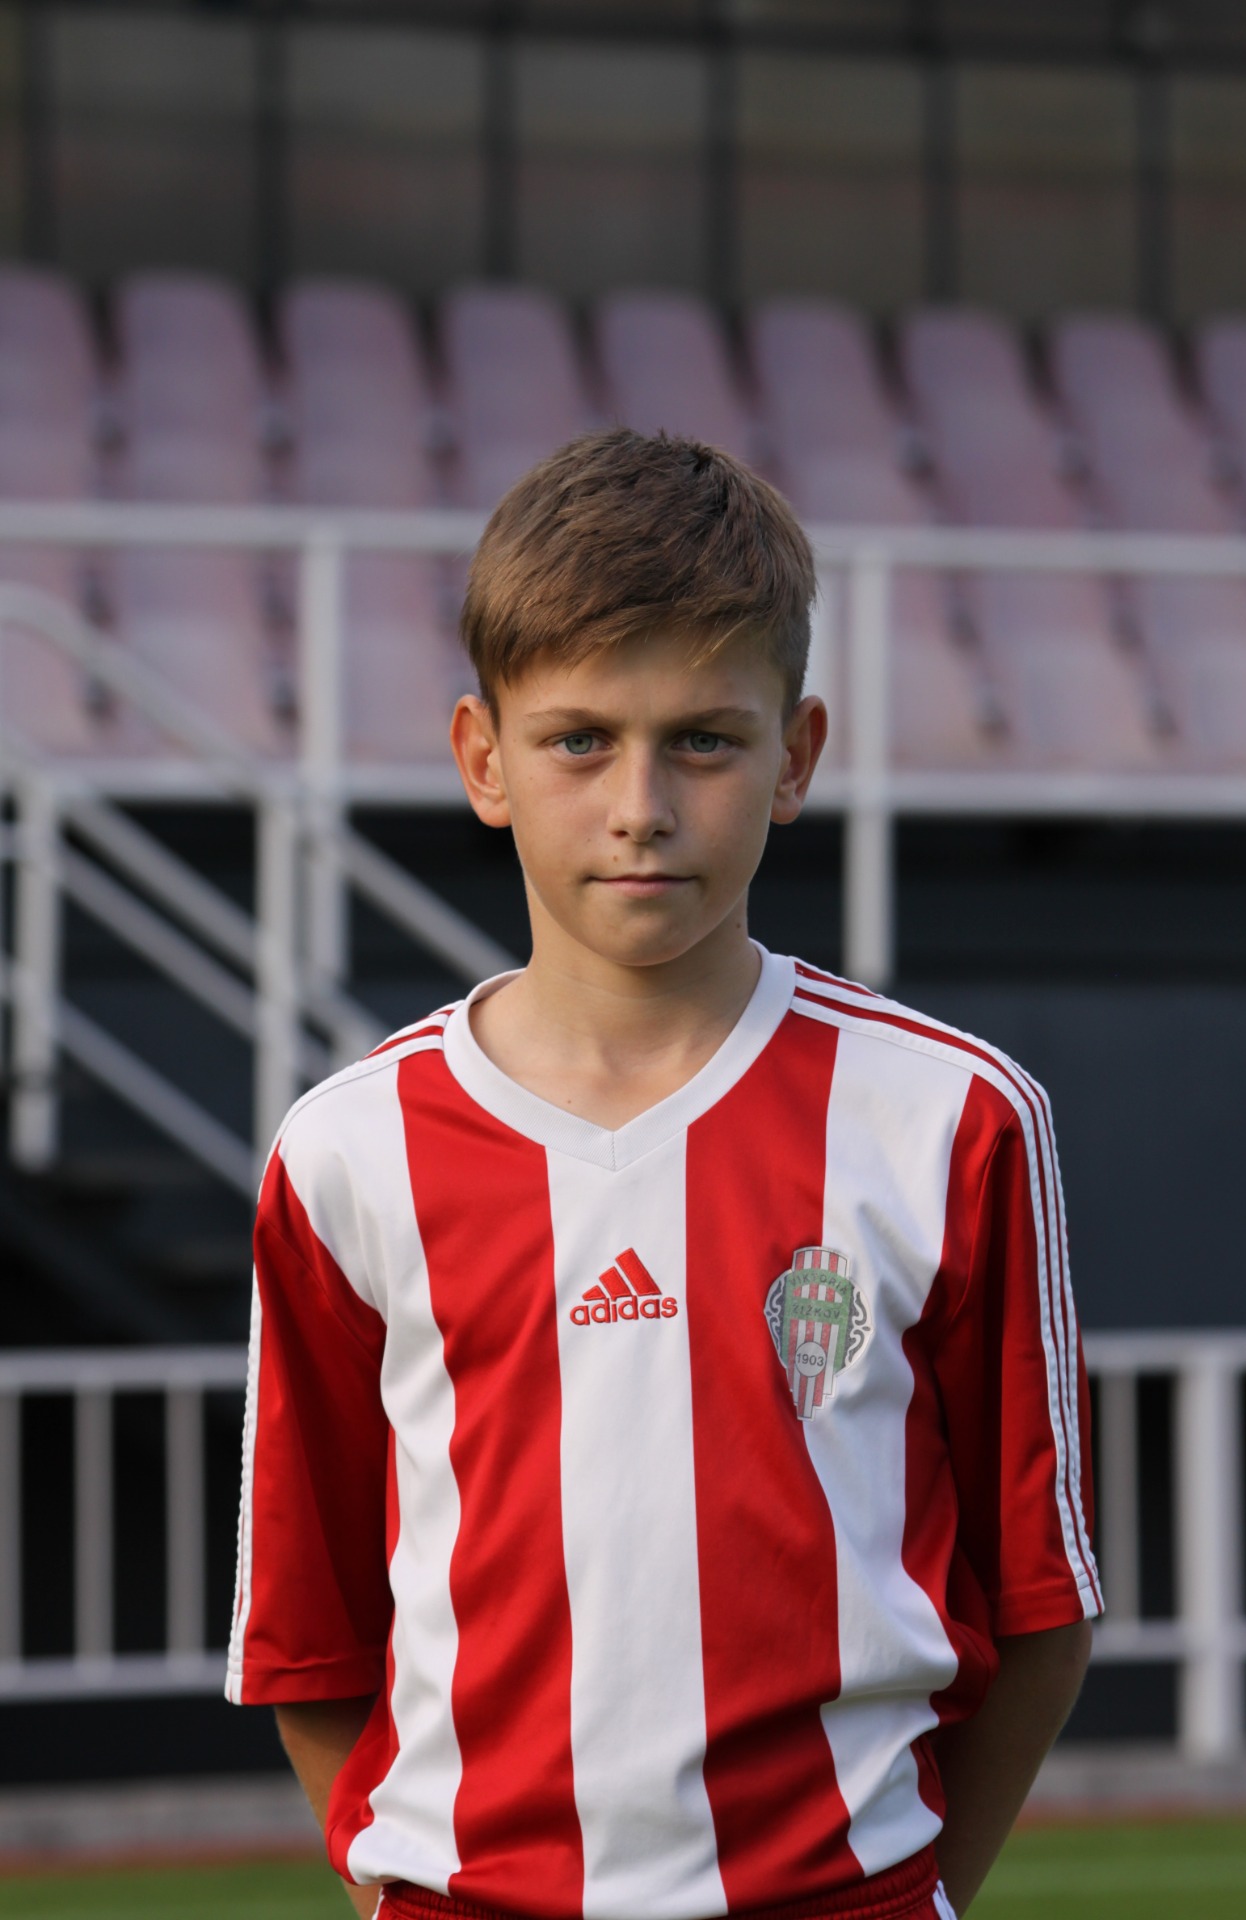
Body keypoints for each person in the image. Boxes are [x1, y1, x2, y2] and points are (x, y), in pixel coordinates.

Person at [227, 428, 1100, 1920]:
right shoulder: (346, 1151)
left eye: (704, 739)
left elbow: (1041, 1606)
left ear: (795, 757)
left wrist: (904, 1892)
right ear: (483, 759)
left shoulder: (952, 1118)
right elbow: (312, 1639)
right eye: (579, 741)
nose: (641, 803)